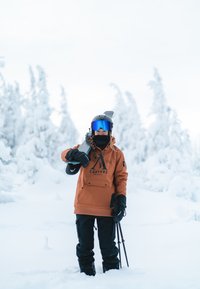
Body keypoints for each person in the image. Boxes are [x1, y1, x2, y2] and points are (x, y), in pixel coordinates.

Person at [61, 114, 128, 276]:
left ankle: (114, 280)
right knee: (85, 246)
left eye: (104, 126)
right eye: (97, 126)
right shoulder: (85, 148)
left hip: (107, 206)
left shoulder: (116, 153)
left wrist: (121, 198)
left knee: (108, 247)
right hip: (84, 205)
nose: (100, 130)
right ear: (92, 128)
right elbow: (64, 155)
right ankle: (86, 276)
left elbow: (121, 177)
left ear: (110, 130)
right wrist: (72, 155)